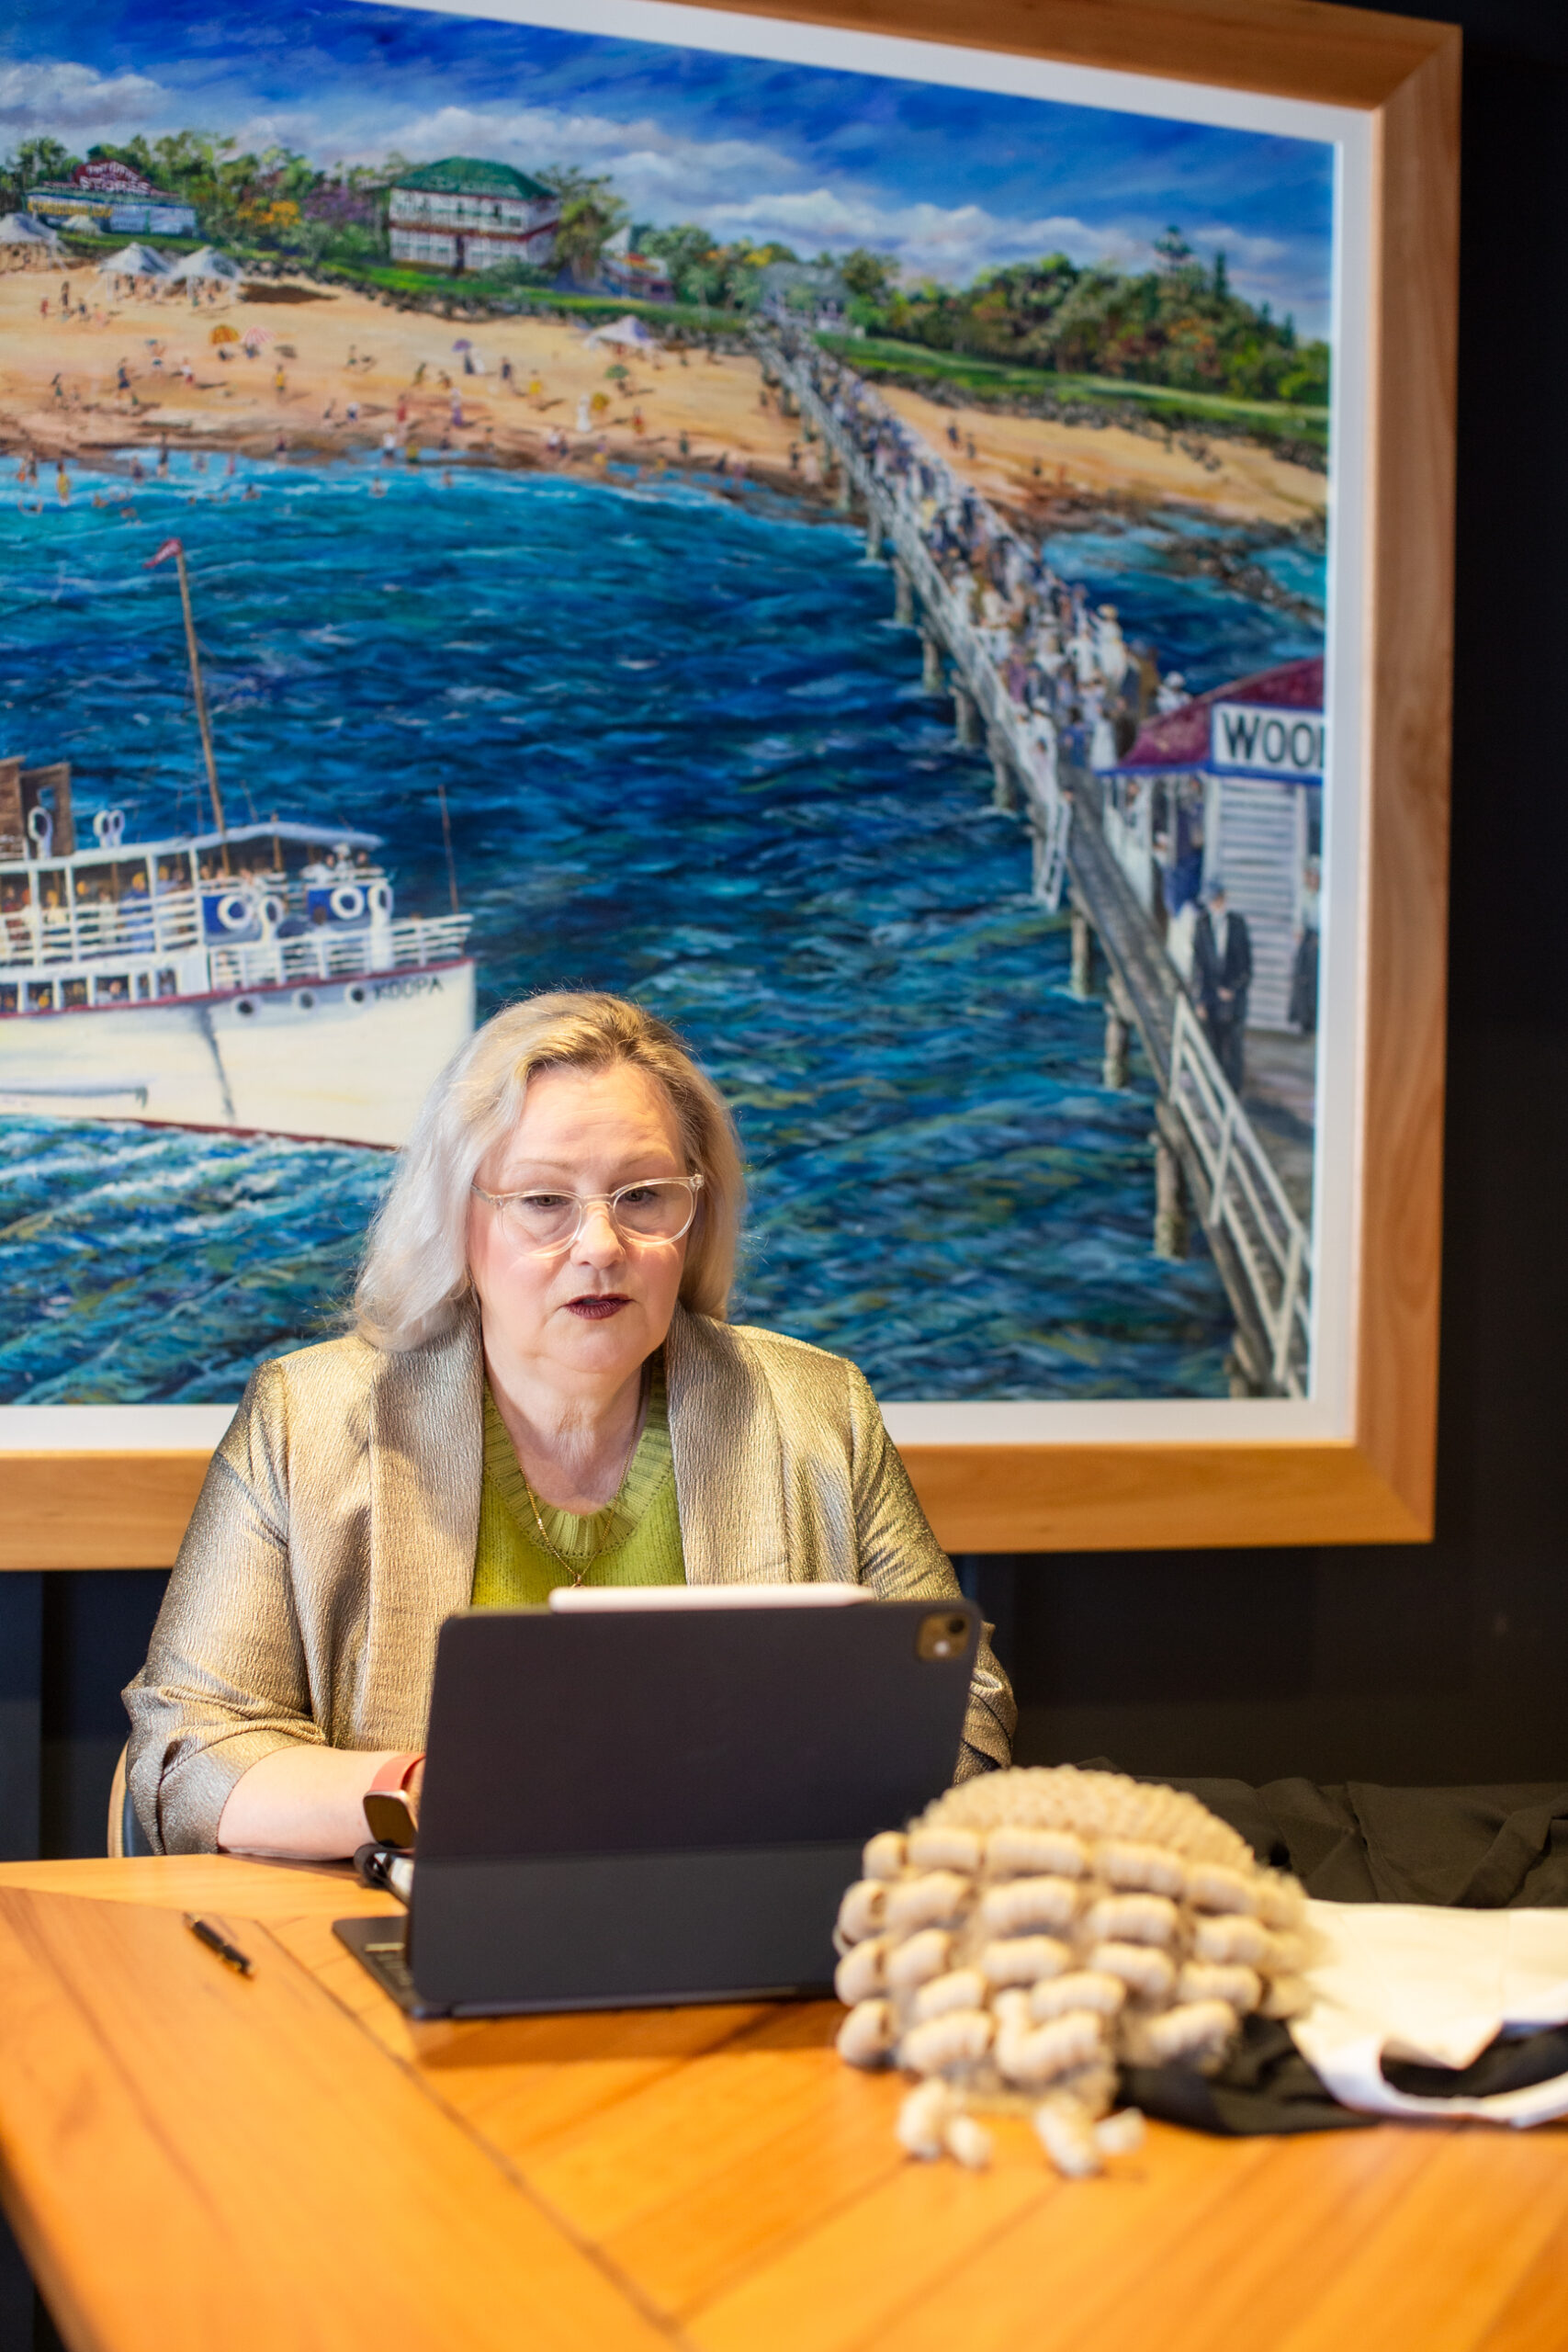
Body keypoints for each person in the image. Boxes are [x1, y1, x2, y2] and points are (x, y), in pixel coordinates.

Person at [125, 994, 1014, 1857]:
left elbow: (963, 1712)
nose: (600, 1245)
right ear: (458, 1217)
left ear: (694, 1214)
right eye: (544, 1201)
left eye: (642, 1196)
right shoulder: (306, 1419)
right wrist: (439, 1793)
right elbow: (187, 1755)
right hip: (404, 1931)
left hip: (748, 1930)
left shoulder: (816, 1411)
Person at [1192, 882, 1252, 1091]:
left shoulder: (1237, 924)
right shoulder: (1201, 925)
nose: (1215, 904)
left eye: (1218, 899)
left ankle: (1234, 1092)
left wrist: (1233, 989)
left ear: (1224, 898)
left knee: (1234, 1046)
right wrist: (1199, 1000)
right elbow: (1198, 966)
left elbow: (1246, 965)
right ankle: (1214, 1090)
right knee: (1214, 1046)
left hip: (1234, 998)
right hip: (1211, 998)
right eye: (1211, 900)